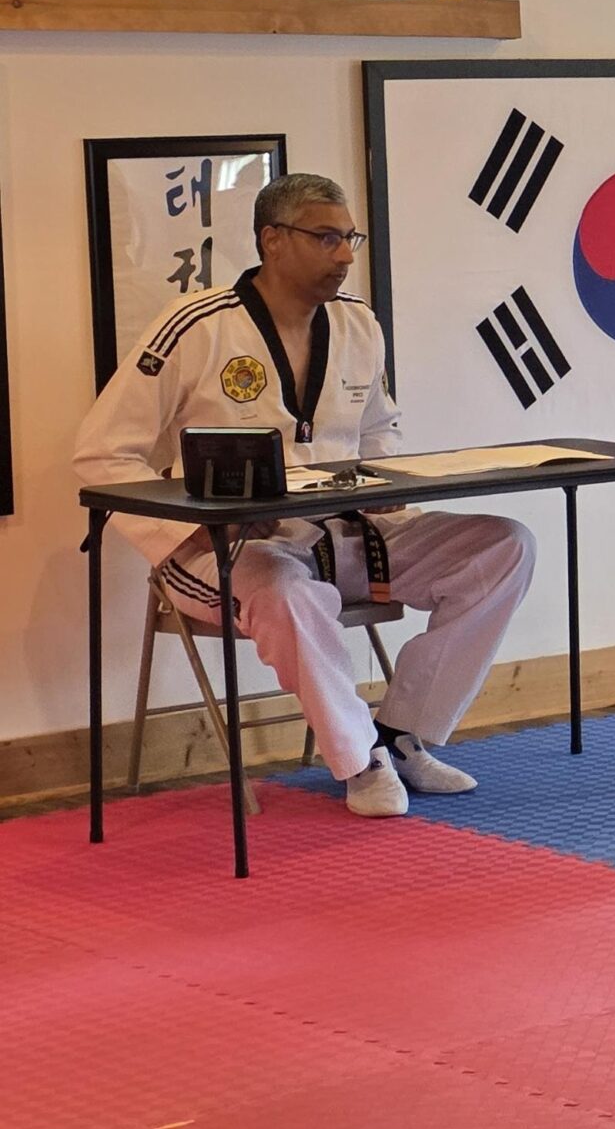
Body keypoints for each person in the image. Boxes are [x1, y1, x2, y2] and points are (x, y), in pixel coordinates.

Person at [72, 173, 537, 819]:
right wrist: (192, 527)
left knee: (504, 546)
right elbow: (101, 456)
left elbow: (379, 429)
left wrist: (384, 487)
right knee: (288, 593)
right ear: (273, 240)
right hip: (232, 551)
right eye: (326, 238)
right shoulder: (198, 327)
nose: (344, 254)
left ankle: (401, 733)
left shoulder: (358, 323)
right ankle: (359, 759)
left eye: (350, 238)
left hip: (346, 535)